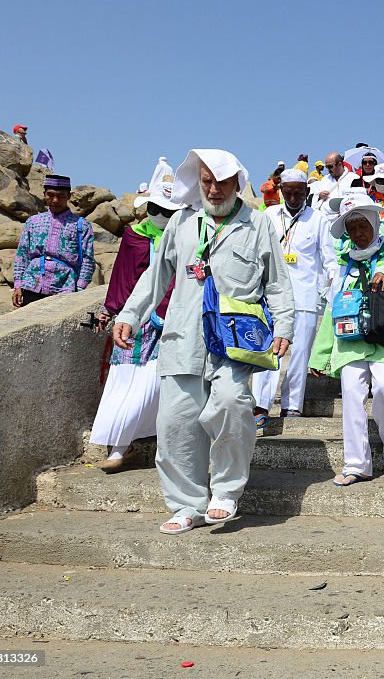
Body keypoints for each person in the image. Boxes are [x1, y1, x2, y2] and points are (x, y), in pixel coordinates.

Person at [112, 149, 294, 535]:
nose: (212, 190)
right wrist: (130, 315)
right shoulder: (181, 223)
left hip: (232, 340)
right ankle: (186, 504)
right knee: (176, 423)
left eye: (221, 182)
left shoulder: (257, 224)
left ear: (237, 183)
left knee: (231, 405)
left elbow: (277, 281)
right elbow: (155, 276)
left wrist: (284, 326)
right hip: (183, 338)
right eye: (206, 181)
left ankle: (225, 492)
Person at [308, 191, 384, 486]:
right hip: (351, 343)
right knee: (350, 396)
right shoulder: (342, 263)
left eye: (364, 226)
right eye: (352, 228)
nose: (359, 233)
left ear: (375, 223)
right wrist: (320, 354)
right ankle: (357, 464)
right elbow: (334, 309)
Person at [92, 170, 183, 472]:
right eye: (158, 210)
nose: (162, 216)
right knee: (126, 380)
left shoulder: (186, 239)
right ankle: (118, 446)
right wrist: (113, 310)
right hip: (137, 321)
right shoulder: (135, 237)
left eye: (169, 211)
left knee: (160, 384)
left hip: (173, 318)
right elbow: (122, 276)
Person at [251, 169, 335, 429]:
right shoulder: (269, 216)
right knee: (267, 350)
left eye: (299, 192)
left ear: (307, 193)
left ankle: (292, 404)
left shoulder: (318, 219)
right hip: (271, 296)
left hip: (306, 297)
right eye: (288, 192)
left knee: (299, 354)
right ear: (281, 192)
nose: (294, 197)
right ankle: (260, 405)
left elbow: (329, 258)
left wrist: (332, 286)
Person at [12, 174, 95, 307]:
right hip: (32, 284)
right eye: (50, 195)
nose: (55, 200)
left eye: (61, 196)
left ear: (69, 196)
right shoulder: (33, 222)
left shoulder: (81, 225)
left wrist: (80, 288)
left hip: (65, 287)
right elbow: (22, 255)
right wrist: (18, 285)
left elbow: (87, 259)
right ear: (44, 194)